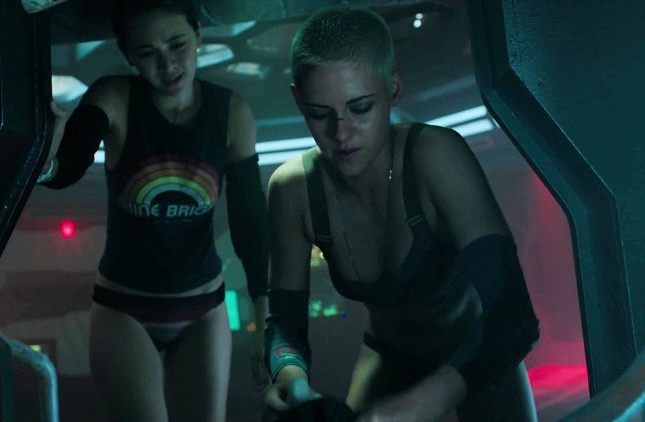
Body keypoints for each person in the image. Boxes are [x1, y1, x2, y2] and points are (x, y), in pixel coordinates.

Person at [262, 4, 540, 421]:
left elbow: (513, 317)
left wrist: (418, 405)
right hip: (387, 357)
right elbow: (285, 322)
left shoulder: (435, 156)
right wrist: (290, 377)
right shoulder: (292, 189)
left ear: (393, 88)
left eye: (360, 108)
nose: (341, 133)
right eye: (320, 114)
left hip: (478, 356)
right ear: (298, 100)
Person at [36, 0, 269, 420]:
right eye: (148, 53)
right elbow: (67, 166)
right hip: (124, 309)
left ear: (199, 34)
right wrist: (47, 160)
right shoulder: (115, 96)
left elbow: (250, 223)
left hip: (204, 308)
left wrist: (266, 321)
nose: (168, 65)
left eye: (177, 44)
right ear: (129, 57)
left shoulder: (231, 112)